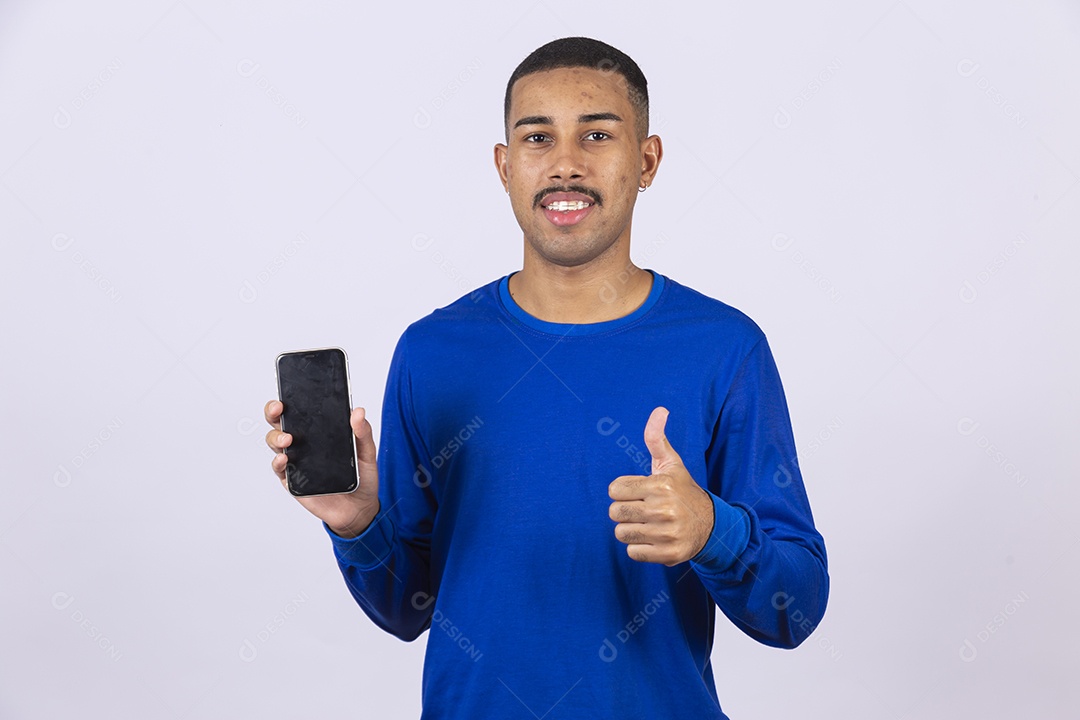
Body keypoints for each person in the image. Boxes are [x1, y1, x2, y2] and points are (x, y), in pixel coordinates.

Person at [264, 36, 828, 719]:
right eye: (538, 138)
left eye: (597, 135)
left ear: (647, 161)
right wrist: (359, 525)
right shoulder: (431, 352)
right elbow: (406, 610)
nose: (565, 164)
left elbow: (796, 609)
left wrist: (714, 530)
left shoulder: (724, 348)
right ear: (505, 167)